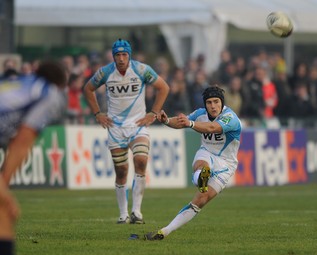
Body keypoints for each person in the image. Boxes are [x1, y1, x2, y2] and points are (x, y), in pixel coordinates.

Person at [83, 39, 169, 224]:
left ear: (129, 55)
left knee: (141, 160)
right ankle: (123, 215)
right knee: (121, 171)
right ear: (113, 56)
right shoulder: (105, 72)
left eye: (124, 54)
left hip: (138, 125)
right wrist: (98, 113)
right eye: (117, 55)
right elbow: (88, 89)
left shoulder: (141, 70)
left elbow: (163, 88)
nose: (121, 58)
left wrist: (153, 113)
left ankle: (136, 212)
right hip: (116, 128)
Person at [145, 85, 242, 240]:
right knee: (202, 165)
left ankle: (199, 180)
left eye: (216, 102)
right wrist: (167, 120)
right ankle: (165, 231)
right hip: (207, 152)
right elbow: (182, 121)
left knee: (200, 200)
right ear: (205, 104)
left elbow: (211, 128)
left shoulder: (230, 117)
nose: (213, 106)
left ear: (222, 102)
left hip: (226, 163)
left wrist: (190, 124)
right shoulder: (200, 113)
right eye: (209, 102)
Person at [0, 60, 68, 255]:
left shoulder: (22, 82)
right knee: (4, 211)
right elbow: (22, 142)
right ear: (61, 85)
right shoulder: (49, 93)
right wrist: (5, 190)